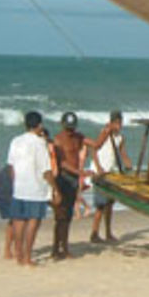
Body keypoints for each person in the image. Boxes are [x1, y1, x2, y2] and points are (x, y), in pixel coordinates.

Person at [7, 111, 59, 266]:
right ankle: (27, 257)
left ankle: (18, 255)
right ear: (40, 125)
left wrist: (15, 182)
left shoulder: (16, 141)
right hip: (35, 188)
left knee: (18, 221)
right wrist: (55, 189)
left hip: (19, 187)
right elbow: (46, 171)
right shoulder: (39, 143)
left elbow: (11, 166)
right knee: (33, 222)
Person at [51, 111, 93, 259]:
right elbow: (61, 163)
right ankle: (57, 249)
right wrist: (80, 172)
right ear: (62, 125)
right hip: (63, 178)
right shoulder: (57, 140)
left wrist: (107, 132)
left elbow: (96, 145)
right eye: (68, 128)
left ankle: (63, 247)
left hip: (74, 179)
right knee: (60, 216)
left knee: (67, 216)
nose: (70, 131)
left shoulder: (79, 137)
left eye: (72, 128)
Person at [90, 110, 131, 243]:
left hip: (111, 173)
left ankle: (108, 233)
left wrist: (128, 165)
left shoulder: (121, 137)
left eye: (121, 123)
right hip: (100, 172)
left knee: (109, 204)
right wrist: (99, 168)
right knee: (100, 205)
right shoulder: (105, 132)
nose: (119, 126)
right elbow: (94, 149)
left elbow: (122, 153)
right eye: (117, 123)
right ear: (112, 123)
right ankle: (94, 233)